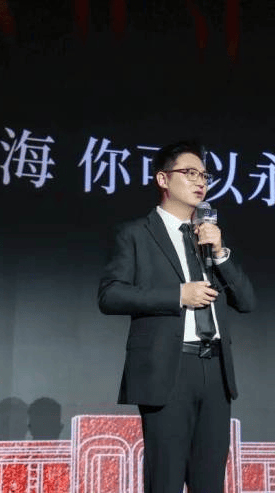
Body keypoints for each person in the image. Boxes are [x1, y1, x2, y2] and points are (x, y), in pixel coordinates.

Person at [98, 140, 255, 493]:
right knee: (165, 480)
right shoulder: (136, 234)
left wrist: (221, 253)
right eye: (190, 173)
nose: (200, 181)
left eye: (204, 175)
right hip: (168, 370)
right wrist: (178, 296)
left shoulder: (208, 238)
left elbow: (246, 302)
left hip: (216, 371)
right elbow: (110, 295)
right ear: (163, 179)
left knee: (209, 483)